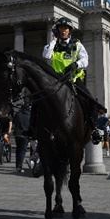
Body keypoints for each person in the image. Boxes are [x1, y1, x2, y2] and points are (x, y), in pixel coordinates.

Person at [42, 17, 103, 145]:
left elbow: (85, 60)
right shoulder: (54, 45)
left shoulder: (77, 44)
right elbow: (46, 55)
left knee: (89, 100)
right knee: (39, 100)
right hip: (56, 81)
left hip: (73, 79)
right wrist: (53, 40)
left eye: (66, 29)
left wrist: (76, 64)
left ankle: (94, 129)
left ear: (70, 31)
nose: (63, 31)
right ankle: (32, 129)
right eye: (60, 29)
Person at [13, 103, 31, 173]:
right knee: (22, 151)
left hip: (17, 135)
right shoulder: (30, 115)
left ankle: (17, 166)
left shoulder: (18, 114)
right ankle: (19, 167)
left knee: (18, 150)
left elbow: (14, 122)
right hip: (25, 135)